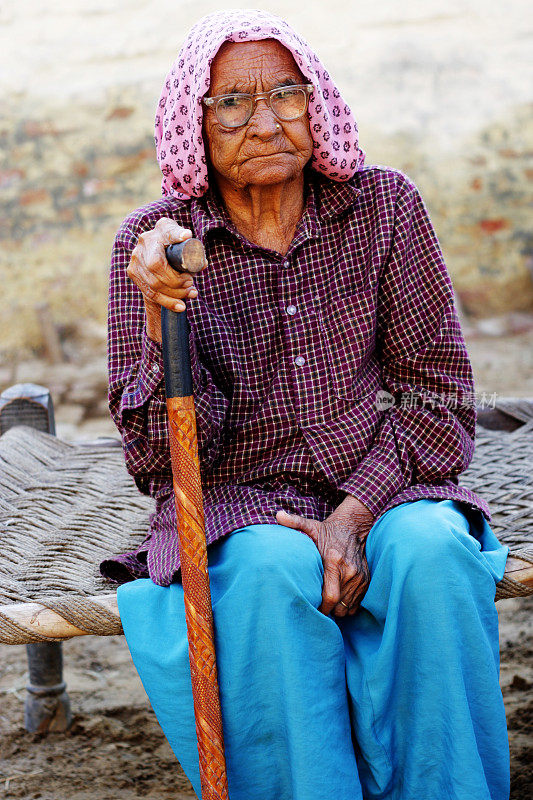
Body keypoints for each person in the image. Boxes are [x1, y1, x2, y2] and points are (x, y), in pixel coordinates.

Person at [100, 9, 510, 800]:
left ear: (316, 104)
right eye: (232, 102)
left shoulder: (384, 206)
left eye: (287, 92)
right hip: (241, 503)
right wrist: (163, 317)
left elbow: (438, 396)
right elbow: (159, 463)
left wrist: (351, 517)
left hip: (382, 485)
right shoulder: (152, 243)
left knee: (431, 552)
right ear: (195, 119)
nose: (264, 120)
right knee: (264, 570)